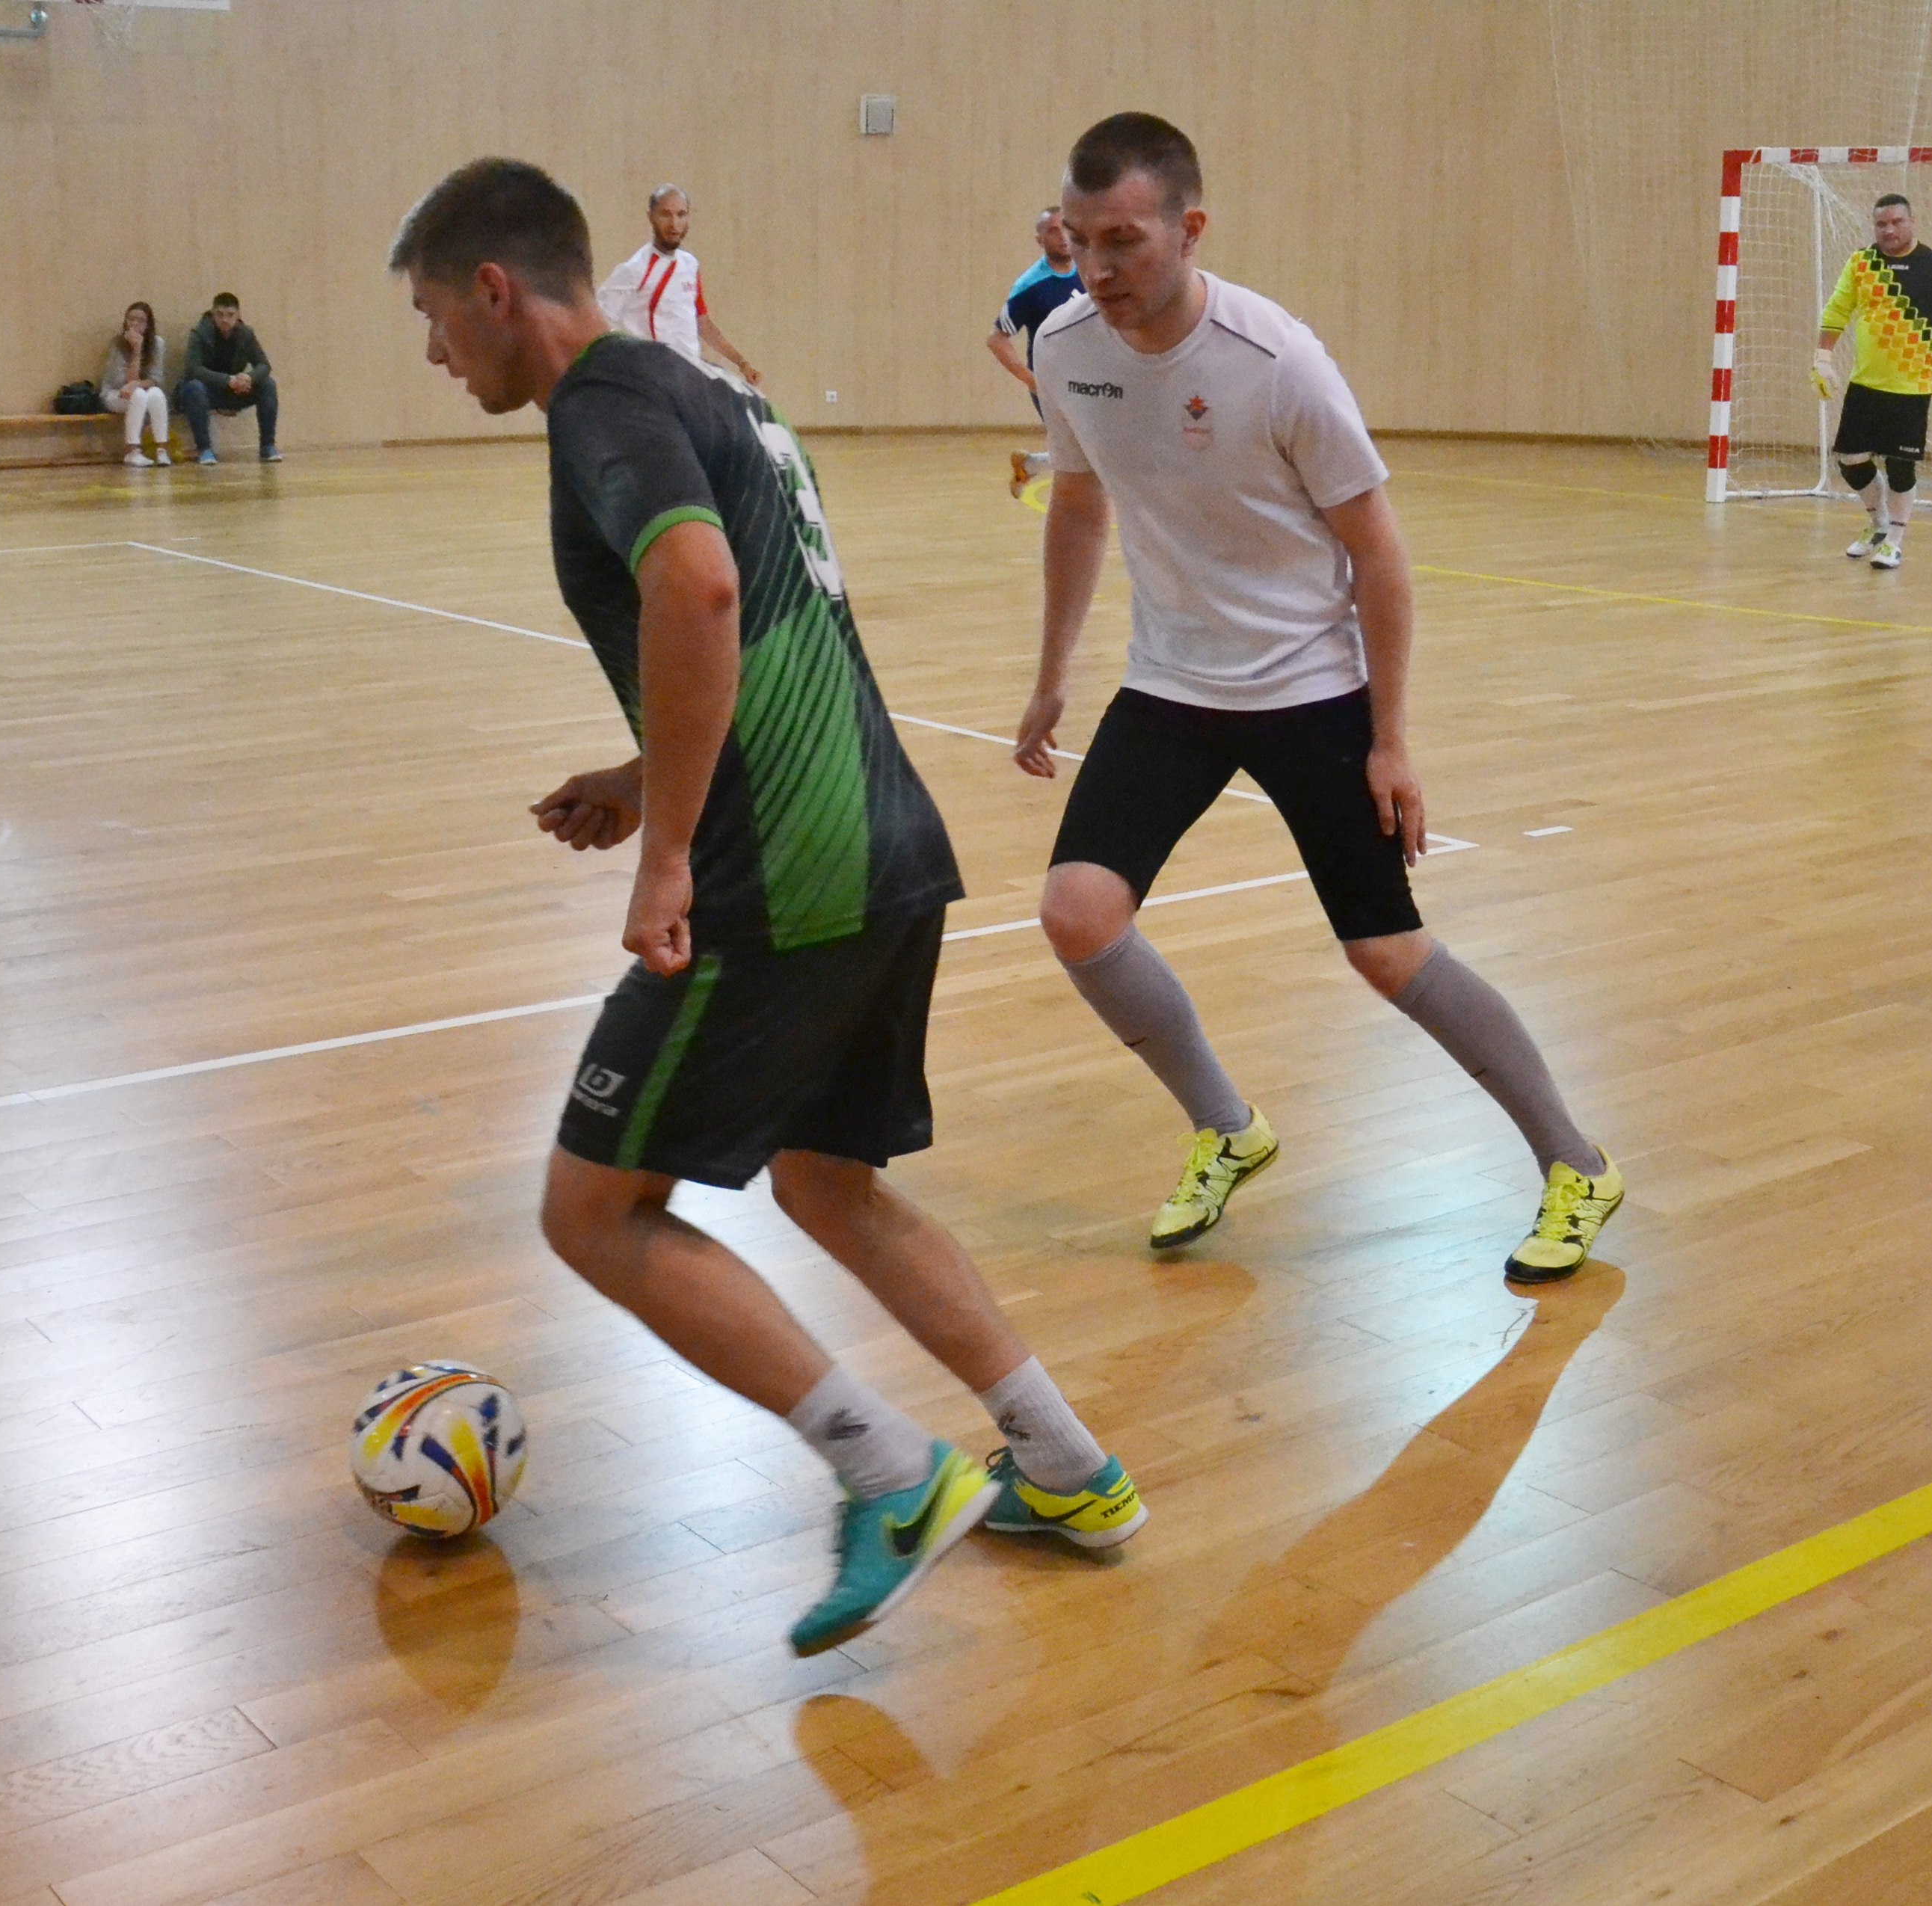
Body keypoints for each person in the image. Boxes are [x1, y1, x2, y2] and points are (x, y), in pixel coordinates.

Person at [387, 157, 1145, 1656]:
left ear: (493, 289)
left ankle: (890, 1471)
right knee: (826, 1180)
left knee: (595, 1210)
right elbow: (772, 614)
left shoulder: (604, 406)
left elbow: (701, 592)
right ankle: (1065, 1461)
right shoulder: (703, 392)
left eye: (430, 316)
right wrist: (640, 772)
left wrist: (668, 848)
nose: (431, 351)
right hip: (881, 838)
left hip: (782, 870)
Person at [1019, 113, 1622, 1288]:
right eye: (1079, 239)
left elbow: (1377, 551)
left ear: (1189, 228)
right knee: (1077, 913)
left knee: (1386, 953)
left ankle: (1574, 1161)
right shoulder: (1064, 344)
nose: (1096, 266)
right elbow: (1078, 502)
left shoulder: (1275, 361)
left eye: (1123, 240)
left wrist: (1390, 740)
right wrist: (1051, 677)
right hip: (1170, 684)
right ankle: (1226, 1127)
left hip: (1308, 688)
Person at [1812, 194, 1932, 569]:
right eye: (1881, 224)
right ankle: (1879, 525)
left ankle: (1895, 541)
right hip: (1865, 383)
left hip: (1911, 387)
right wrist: (1822, 358)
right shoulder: (1862, 263)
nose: (1889, 230)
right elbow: (1837, 310)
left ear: (1912, 222)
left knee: (1901, 466)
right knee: (1850, 460)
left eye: (1897, 222)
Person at [595, 185, 762, 384]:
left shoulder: (690, 264)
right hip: (654, 382)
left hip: (690, 378)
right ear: (651, 217)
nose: (674, 223)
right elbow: (600, 321)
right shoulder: (635, 269)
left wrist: (741, 363)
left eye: (681, 215)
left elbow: (703, 323)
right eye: (666, 215)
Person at [987, 207, 1080, 499]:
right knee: (1082, 456)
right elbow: (997, 339)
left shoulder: (1091, 271)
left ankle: (1030, 464)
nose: (1063, 236)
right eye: (1053, 231)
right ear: (1040, 240)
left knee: (1088, 452)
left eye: (1066, 228)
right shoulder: (1030, 286)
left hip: (1092, 378)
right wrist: (1032, 381)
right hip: (1053, 383)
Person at [177, 292, 280, 464]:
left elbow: (264, 365)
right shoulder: (199, 333)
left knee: (268, 385)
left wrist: (249, 378)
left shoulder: (246, 334)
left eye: (230, 315)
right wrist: (227, 380)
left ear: (238, 315)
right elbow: (193, 369)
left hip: (234, 391)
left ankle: (268, 446)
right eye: (220, 315)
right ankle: (204, 450)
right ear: (213, 314)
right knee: (194, 387)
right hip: (206, 392)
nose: (225, 320)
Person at [103, 301, 171, 467]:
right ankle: (132, 451)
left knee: (157, 394)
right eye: (131, 319)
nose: (135, 324)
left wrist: (137, 385)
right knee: (139, 395)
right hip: (115, 393)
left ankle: (162, 450)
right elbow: (122, 382)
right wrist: (137, 350)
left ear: (148, 324)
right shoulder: (117, 344)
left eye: (141, 320)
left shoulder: (157, 343)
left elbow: (157, 379)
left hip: (141, 391)